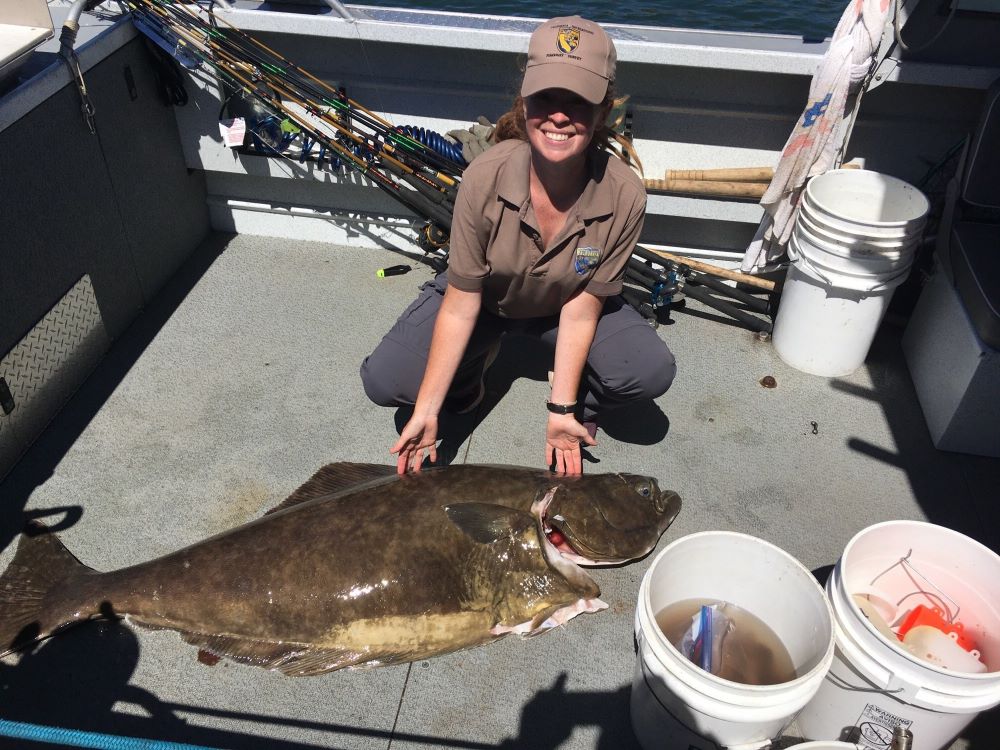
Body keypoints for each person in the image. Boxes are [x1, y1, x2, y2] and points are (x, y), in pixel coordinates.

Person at [360, 15, 676, 476]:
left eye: (579, 101)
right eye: (545, 96)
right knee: (385, 381)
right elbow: (461, 301)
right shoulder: (483, 176)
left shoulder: (625, 193)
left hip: (565, 306)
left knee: (648, 371)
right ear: (524, 99)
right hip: (484, 302)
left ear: (603, 111)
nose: (559, 115)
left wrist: (562, 408)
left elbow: (583, 307)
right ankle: (467, 381)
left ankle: (579, 403)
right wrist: (427, 407)